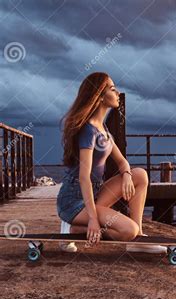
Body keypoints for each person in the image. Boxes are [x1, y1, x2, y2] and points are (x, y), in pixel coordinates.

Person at [56, 72, 164, 253]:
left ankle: (137, 239)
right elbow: (84, 178)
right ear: (99, 96)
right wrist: (92, 219)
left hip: (95, 194)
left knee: (140, 175)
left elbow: (122, 162)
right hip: (74, 201)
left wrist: (127, 175)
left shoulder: (103, 129)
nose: (118, 93)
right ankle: (72, 228)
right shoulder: (89, 131)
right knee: (128, 230)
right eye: (113, 89)